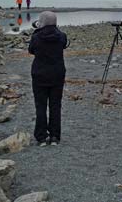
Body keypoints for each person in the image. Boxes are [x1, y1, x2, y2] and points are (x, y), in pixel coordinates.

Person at [28, 11, 68, 146]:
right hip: (57, 74)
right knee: (55, 105)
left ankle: (41, 137)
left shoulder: (37, 37)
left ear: (42, 22)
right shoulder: (61, 36)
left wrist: (37, 30)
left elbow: (31, 50)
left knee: (40, 106)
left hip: (40, 74)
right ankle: (55, 136)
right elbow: (63, 43)